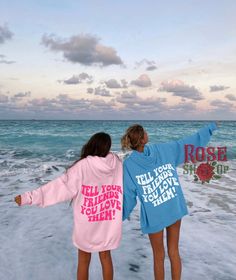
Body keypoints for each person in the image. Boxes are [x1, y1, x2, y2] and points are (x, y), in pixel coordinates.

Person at [15, 132, 123, 280]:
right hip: (108, 223)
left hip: (87, 225)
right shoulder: (116, 163)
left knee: (84, 261)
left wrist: (28, 197)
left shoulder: (83, 166)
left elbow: (59, 187)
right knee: (105, 257)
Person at [121, 122, 218, 280]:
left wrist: (118, 217)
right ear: (144, 138)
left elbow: (128, 196)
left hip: (154, 214)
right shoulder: (163, 149)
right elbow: (187, 143)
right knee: (174, 251)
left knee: (158, 256)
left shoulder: (129, 165)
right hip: (172, 207)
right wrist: (208, 129)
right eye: (145, 132)